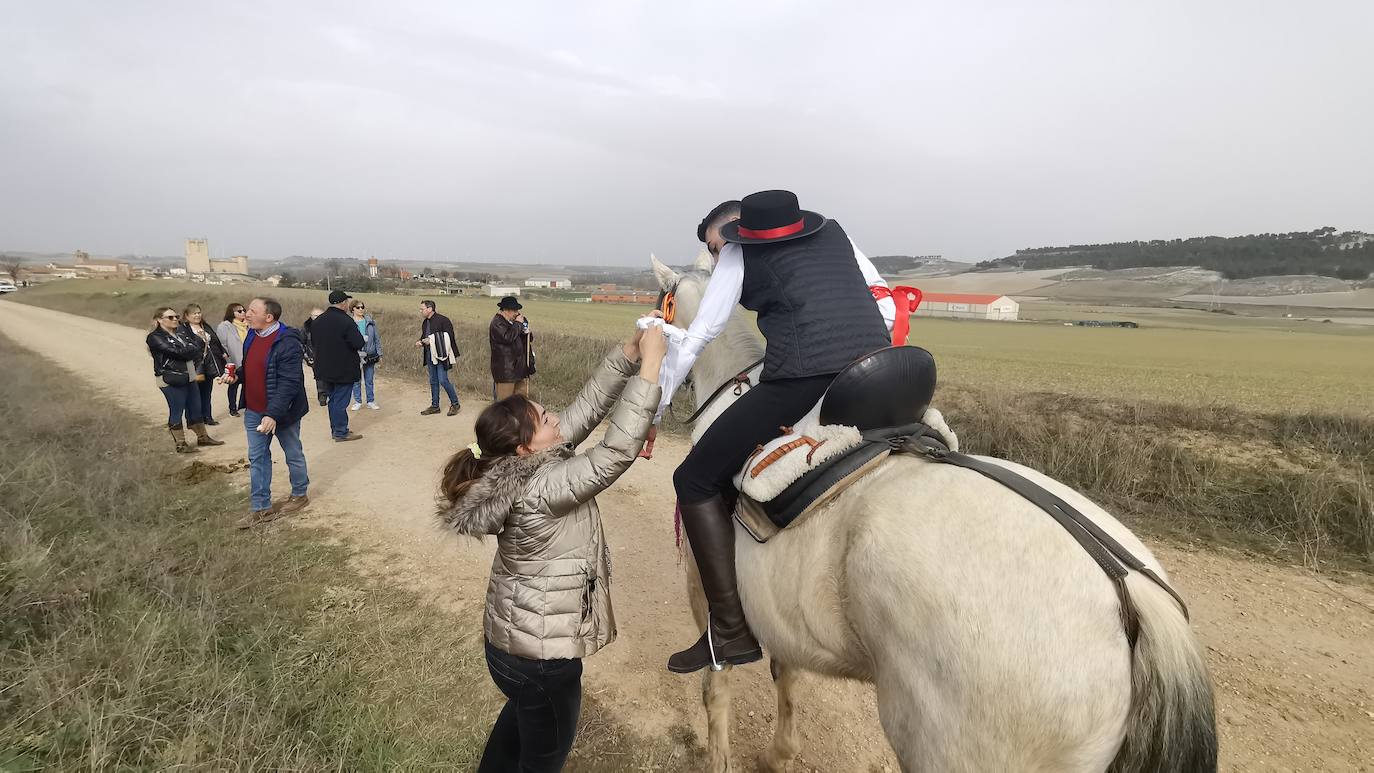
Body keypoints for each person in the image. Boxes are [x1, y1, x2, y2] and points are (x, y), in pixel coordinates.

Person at [654, 190, 896, 674]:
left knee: (695, 480)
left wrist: (656, 409)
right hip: (881, 369)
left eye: (715, 247)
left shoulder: (738, 250)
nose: (717, 257)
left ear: (733, 232)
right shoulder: (835, 231)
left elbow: (702, 333)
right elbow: (884, 303)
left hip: (804, 378)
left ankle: (728, 629)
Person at [437, 321, 666, 772]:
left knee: (518, 730)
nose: (556, 418)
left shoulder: (517, 468)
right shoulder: (541, 488)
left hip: (511, 648)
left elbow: (583, 411)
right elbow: (616, 451)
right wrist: (653, 366)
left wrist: (628, 353)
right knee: (543, 760)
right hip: (543, 658)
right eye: (545, 419)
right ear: (524, 448)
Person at [230, 297, 311, 529]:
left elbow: (289, 382)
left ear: (268, 317)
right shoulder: (252, 336)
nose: (246, 314)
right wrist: (237, 377)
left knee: (292, 452)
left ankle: (299, 494)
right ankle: (261, 508)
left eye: (252, 311)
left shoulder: (288, 342)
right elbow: (253, 368)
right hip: (255, 410)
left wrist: (273, 414)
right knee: (257, 457)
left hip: (282, 412)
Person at [146, 306, 220, 452]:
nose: (175, 320)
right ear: (160, 320)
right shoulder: (155, 337)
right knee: (177, 410)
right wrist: (189, 350)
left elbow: (197, 346)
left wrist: (188, 350)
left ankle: (202, 437)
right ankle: (180, 444)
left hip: (189, 375)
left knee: (196, 407)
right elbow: (177, 353)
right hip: (171, 378)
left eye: (176, 317)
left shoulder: (180, 333)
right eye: (171, 317)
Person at [310, 290, 366, 442]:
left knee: (333, 400)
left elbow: (314, 343)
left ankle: (336, 429)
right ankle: (341, 432)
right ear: (343, 303)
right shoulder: (346, 321)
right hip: (343, 369)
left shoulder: (318, 321)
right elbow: (358, 343)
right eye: (346, 302)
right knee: (340, 402)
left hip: (324, 368)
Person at [179, 303, 229, 429]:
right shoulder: (184, 328)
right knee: (194, 393)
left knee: (207, 392)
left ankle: (207, 416)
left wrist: (223, 351)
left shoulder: (205, 326)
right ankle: (194, 419)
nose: (197, 315)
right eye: (194, 313)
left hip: (209, 364)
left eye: (199, 312)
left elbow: (215, 341)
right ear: (187, 315)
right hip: (194, 365)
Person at [416, 300, 461, 416]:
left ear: (430, 309)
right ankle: (435, 406)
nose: (420, 311)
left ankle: (455, 404)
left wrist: (431, 340)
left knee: (443, 380)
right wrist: (420, 341)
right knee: (433, 381)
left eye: (422, 309)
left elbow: (449, 336)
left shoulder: (443, 320)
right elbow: (424, 336)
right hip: (429, 354)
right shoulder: (425, 322)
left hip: (442, 355)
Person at [489, 295, 533, 400]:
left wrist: (526, 330)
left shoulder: (513, 323)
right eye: (514, 310)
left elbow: (527, 339)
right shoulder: (497, 323)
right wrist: (518, 323)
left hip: (518, 370)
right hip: (506, 372)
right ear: (506, 310)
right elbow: (508, 337)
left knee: (520, 402)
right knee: (505, 403)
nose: (517, 313)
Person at [215, 302, 249, 417]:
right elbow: (222, 344)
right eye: (239, 311)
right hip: (233, 360)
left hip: (248, 361)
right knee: (233, 384)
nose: (243, 312)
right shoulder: (225, 326)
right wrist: (227, 361)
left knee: (247, 384)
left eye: (244, 310)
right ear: (232, 313)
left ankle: (244, 405)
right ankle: (232, 408)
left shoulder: (248, 325)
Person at [349, 299, 382, 410]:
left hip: (370, 354)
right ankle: (357, 401)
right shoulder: (349, 322)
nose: (361, 309)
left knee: (369, 379)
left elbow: (377, 338)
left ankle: (371, 401)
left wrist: (379, 353)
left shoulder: (370, 322)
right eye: (358, 307)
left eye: (362, 307)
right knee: (356, 379)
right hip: (355, 354)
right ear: (352, 309)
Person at [301, 307, 329, 406]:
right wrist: (307, 357)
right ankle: (322, 396)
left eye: (320, 316)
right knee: (319, 377)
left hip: (328, 356)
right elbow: (301, 343)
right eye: (315, 316)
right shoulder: (306, 328)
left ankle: (331, 393)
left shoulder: (329, 327)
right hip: (314, 357)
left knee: (330, 375)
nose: (317, 318)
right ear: (311, 316)